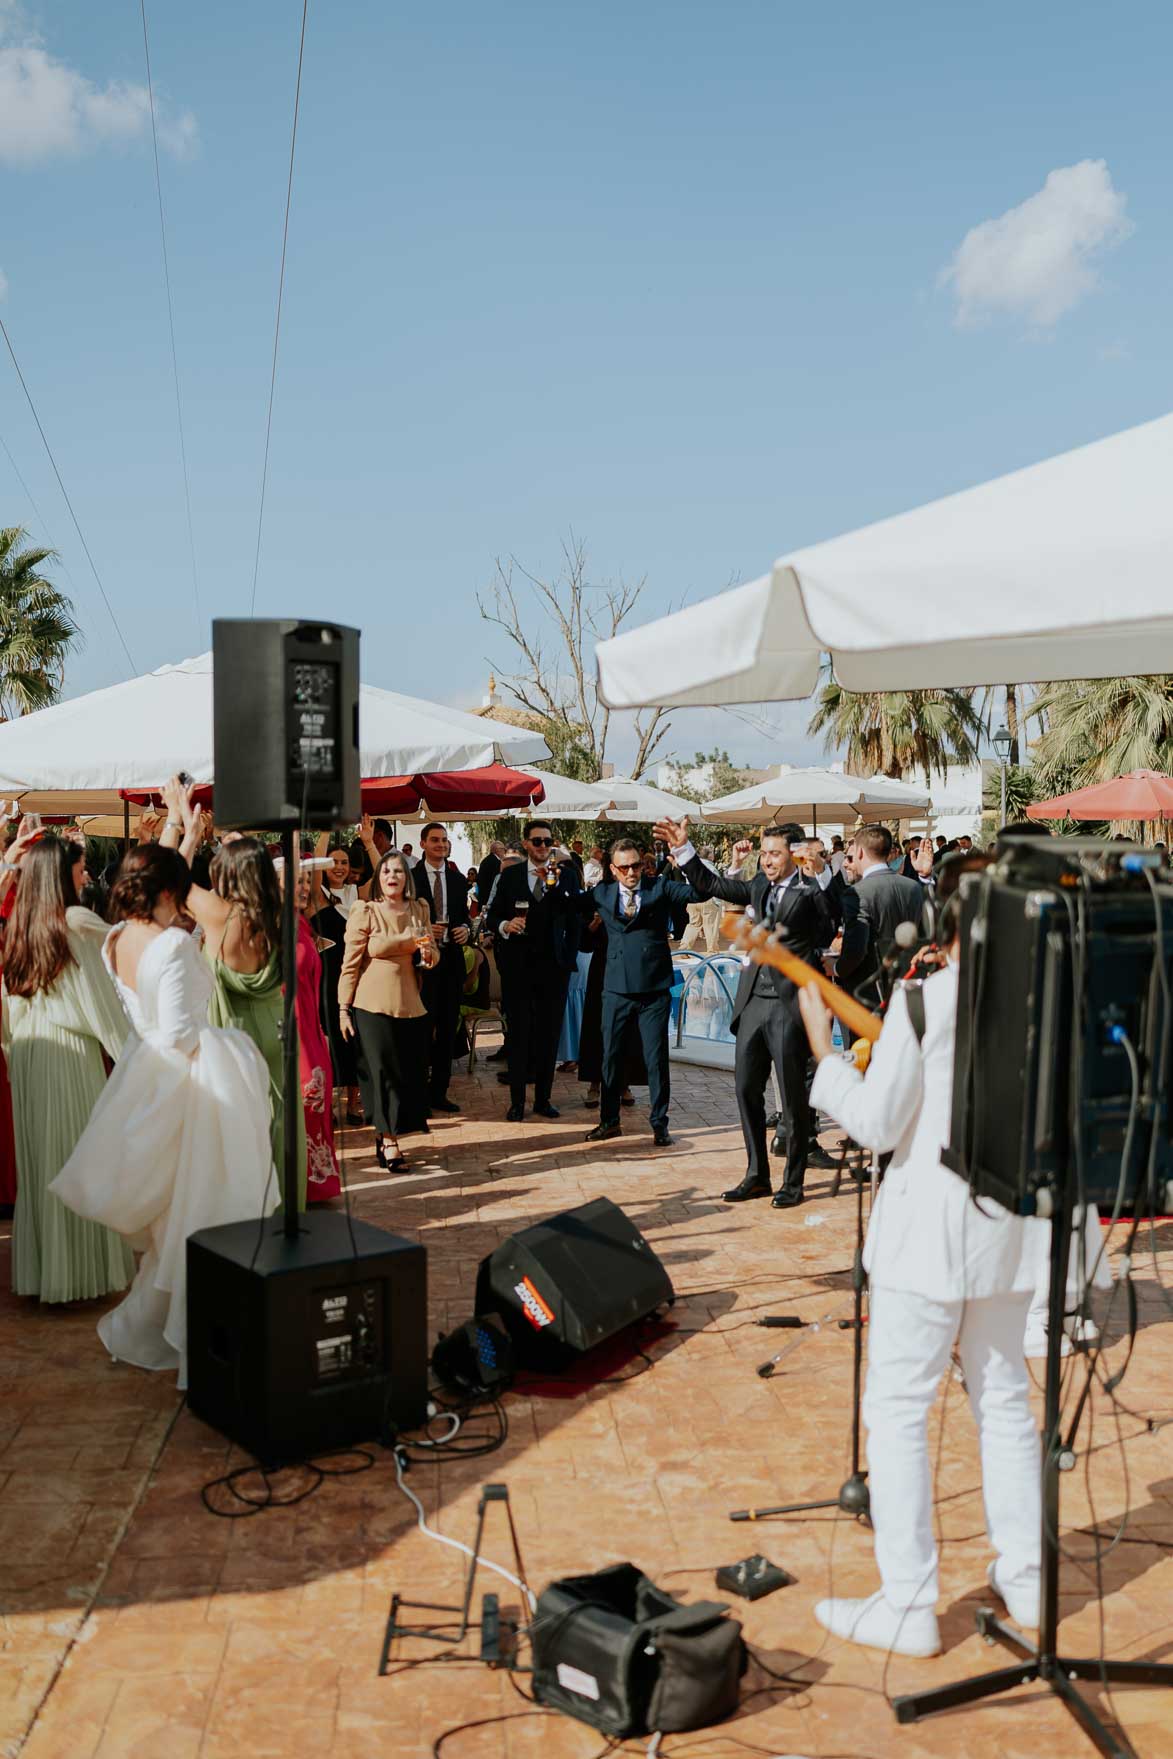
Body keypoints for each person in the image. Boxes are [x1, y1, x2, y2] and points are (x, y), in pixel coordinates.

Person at [798, 889, 1041, 1658]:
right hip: (1008, 1234)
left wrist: (823, 1052)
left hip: (926, 1241)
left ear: (949, 934)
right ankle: (1029, 1577)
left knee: (898, 1412)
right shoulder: (1046, 1005)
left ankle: (907, 1602)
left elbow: (874, 1123)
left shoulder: (922, 1003)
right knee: (1002, 1401)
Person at [50, 845, 275, 1383]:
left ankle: (158, 1329)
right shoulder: (172, 942)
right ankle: (204, 1341)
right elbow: (179, 1033)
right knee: (205, 1216)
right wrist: (236, 1047)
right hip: (190, 1086)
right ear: (170, 892)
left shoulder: (114, 938)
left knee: (176, 1224)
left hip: (144, 1077)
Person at [655, 816, 831, 1205]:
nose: (767, 861)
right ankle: (756, 1174)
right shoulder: (757, 886)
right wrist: (685, 851)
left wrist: (819, 876)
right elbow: (713, 885)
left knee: (792, 1097)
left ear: (794, 854)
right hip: (752, 1001)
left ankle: (793, 1181)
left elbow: (826, 925)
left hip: (790, 1003)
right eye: (764, 853)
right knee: (746, 1089)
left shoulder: (810, 889)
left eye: (775, 854)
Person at [160, 780, 306, 1205]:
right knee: (280, 1127)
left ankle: (250, 1221)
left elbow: (164, 879)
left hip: (236, 1038)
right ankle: (285, 1219)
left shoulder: (222, 916)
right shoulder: (280, 912)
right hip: (279, 1032)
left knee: (243, 1134)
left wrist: (183, 826)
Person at [5, 837, 136, 1302]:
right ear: (61, 875)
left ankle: (47, 1273)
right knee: (78, 1161)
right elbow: (98, 1003)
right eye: (80, 869)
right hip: (68, 1054)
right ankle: (80, 1275)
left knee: (43, 1164)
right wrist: (134, 1056)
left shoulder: (20, 928)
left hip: (27, 1053)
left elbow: (9, 1009)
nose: (85, 876)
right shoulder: (75, 924)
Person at [581, 837, 698, 1147]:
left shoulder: (659, 887)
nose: (632, 872)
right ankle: (609, 1121)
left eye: (636, 865)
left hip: (654, 990)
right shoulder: (602, 893)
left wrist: (687, 857)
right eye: (625, 867)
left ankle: (660, 1124)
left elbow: (699, 892)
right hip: (616, 989)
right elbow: (565, 907)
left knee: (656, 1059)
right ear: (613, 869)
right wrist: (548, 884)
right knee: (610, 1058)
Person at [338, 848, 437, 1169]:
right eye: (386, 872)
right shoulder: (365, 911)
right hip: (370, 1006)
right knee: (380, 1074)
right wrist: (343, 1008)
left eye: (398, 871)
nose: (392, 876)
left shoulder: (418, 910)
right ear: (378, 879)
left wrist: (429, 953)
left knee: (405, 1074)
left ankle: (387, 1134)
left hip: (410, 1004)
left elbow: (431, 954)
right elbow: (349, 964)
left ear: (406, 878)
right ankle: (389, 1141)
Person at [486, 820, 582, 1121]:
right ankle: (517, 1103)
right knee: (518, 1036)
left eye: (548, 841)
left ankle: (543, 1099)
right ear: (526, 844)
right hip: (518, 967)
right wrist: (505, 925)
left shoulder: (565, 877)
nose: (543, 847)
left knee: (548, 1036)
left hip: (553, 969)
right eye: (537, 841)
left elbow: (574, 916)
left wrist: (568, 958)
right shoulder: (511, 875)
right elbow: (493, 916)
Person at [835, 824, 930, 1007]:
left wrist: (837, 968)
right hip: (907, 986)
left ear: (860, 852)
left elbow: (856, 949)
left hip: (867, 992)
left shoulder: (857, 893)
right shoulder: (914, 887)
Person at [413, 821, 471, 1114]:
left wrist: (465, 930)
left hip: (451, 961)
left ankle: (440, 1092)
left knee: (448, 1030)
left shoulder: (458, 880)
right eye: (435, 840)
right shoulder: (410, 879)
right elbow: (401, 922)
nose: (441, 844)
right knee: (422, 1030)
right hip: (421, 962)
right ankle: (419, 1094)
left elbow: (465, 919)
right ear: (423, 844)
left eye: (444, 840)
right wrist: (424, 934)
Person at [292, 866, 341, 1201]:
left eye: (306, 881)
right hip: (287, 1026)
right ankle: (297, 1183)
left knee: (318, 1099)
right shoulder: (267, 925)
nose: (305, 887)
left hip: (310, 1022)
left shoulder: (301, 922)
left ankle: (314, 1184)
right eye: (297, 881)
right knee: (307, 1099)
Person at [308, 844, 364, 1123]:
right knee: (328, 1043)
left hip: (354, 978)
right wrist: (326, 828)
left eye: (343, 861)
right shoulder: (317, 897)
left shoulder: (358, 895)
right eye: (333, 862)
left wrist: (367, 842)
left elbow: (379, 874)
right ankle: (329, 1105)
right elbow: (317, 867)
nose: (339, 867)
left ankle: (354, 1105)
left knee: (354, 1040)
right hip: (326, 980)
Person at [476, 840, 504, 905]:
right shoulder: (497, 863)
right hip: (491, 901)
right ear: (497, 850)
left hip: (483, 899)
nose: (504, 852)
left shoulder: (484, 861)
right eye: (503, 849)